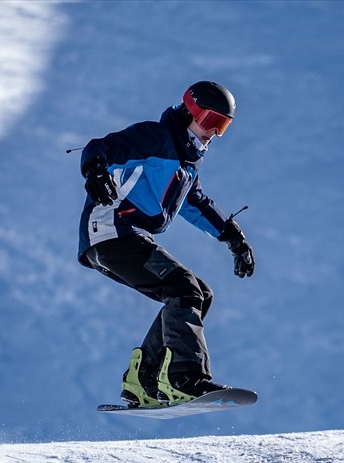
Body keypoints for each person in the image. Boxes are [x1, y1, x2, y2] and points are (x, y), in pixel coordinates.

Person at [77, 81, 255, 408]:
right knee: (183, 288)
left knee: (199, 293)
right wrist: (94, 170)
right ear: (190, 111)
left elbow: (195, 204)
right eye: (210, 121)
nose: (214, 133)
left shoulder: (187, 164)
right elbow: (100, 147)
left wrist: (233, 238)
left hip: (127, 237)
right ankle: (185, 378)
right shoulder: (154, 138)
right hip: (110, 232)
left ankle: (142, 382)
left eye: (223, 126)